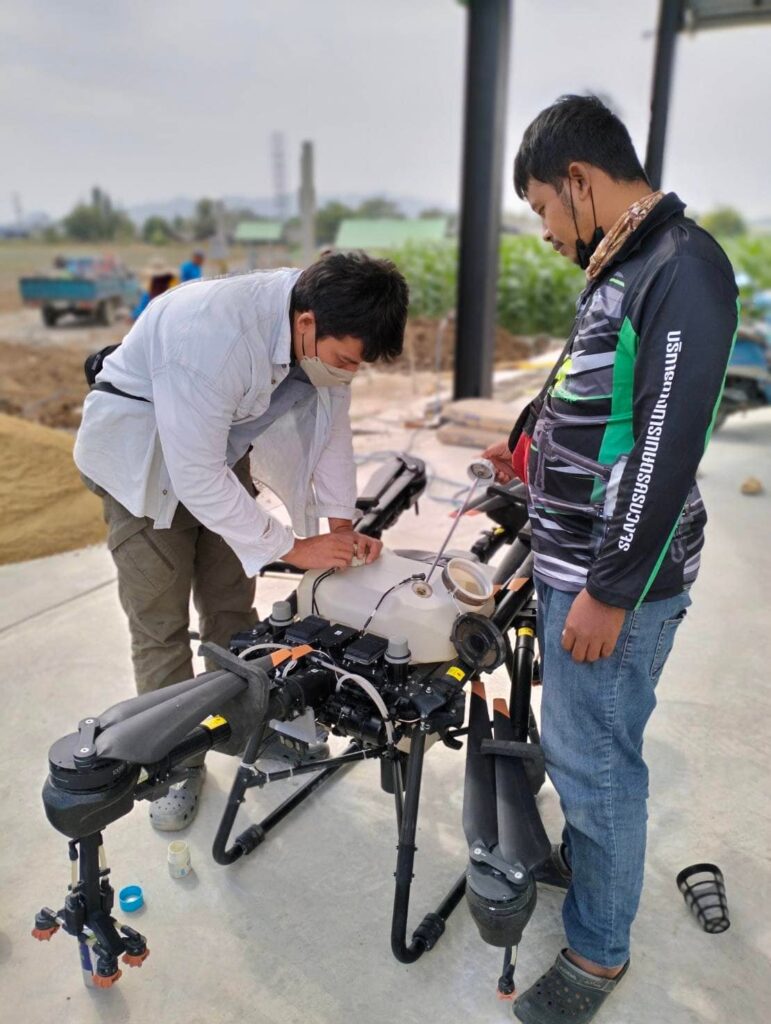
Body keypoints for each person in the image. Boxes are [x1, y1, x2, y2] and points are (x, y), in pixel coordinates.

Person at [482, 95, 738, 1024]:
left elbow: (664, 442)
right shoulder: (625, 264)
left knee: (595, 765)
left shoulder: (680, 268)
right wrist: (528, 456)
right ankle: (591, 872)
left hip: (612, 581)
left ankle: (596, 953)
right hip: (576, 563)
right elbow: (597, 395)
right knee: (579, 748)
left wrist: (611, 588)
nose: (545, 231)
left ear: (579, 180)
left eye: (542, 208)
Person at [74, 252, 408, 831]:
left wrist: (340, 525)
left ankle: (243, 729)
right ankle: (172, 764)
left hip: (214, 452)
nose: (348, 374)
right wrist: (292, 547)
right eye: (344, 360)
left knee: (232, 610)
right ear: (306, 323)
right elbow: (193, 472)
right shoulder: (212, 334)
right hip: (142, 465)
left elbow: (332, 433)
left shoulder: (320, 326)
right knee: (161, 624)